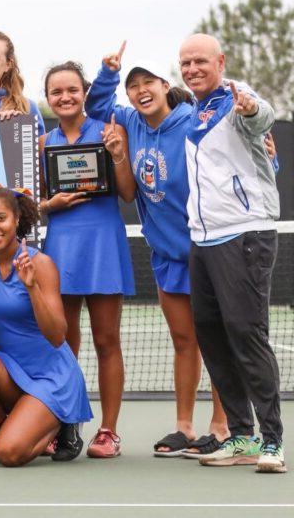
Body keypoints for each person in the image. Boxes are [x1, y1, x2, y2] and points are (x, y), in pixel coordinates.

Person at [85, 42, 229, 459]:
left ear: (166, 85)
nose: (140, 90)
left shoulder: (190, 121)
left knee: (216, 343)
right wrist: (108, 71)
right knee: (184, 342)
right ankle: (184, 427)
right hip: (167, 256)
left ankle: (222, 426)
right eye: (133, 86)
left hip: (208, 251)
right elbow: (97, 105)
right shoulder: (129, 120)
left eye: (148, 82)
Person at [178, 33, 284, 473]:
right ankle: (240, 435)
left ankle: (273, 442)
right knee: (212, 336)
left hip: (245, 235)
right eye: (185, 63)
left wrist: (252, 110)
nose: (192, 69)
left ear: (220, 61)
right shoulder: (192, 111)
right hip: (202, 240)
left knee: (246, 334)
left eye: (200, 61)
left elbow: (263, 117)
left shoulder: (237, 96)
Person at [0, 187, 92, 467]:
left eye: (0, 218)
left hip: (51, 375)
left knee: (9, 454)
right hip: (9, 369)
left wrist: (32, 287)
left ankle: (61, 423)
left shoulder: (41, 264)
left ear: (16, 219)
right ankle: (2, 426)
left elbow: (57, 336)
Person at [39, 61, 134, 458]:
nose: (65, 97)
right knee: (64, 342)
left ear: (84, 91)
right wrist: (51, 204)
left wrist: (116, 155)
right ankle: (64, 423)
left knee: (107, 339)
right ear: (48, 99)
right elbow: (36, 206)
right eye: (56, 92)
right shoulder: (44, 143)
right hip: (61, 246)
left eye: (72, 90)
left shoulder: (111, 130)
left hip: (103, 245)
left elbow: (128, 193)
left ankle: (108, 431)